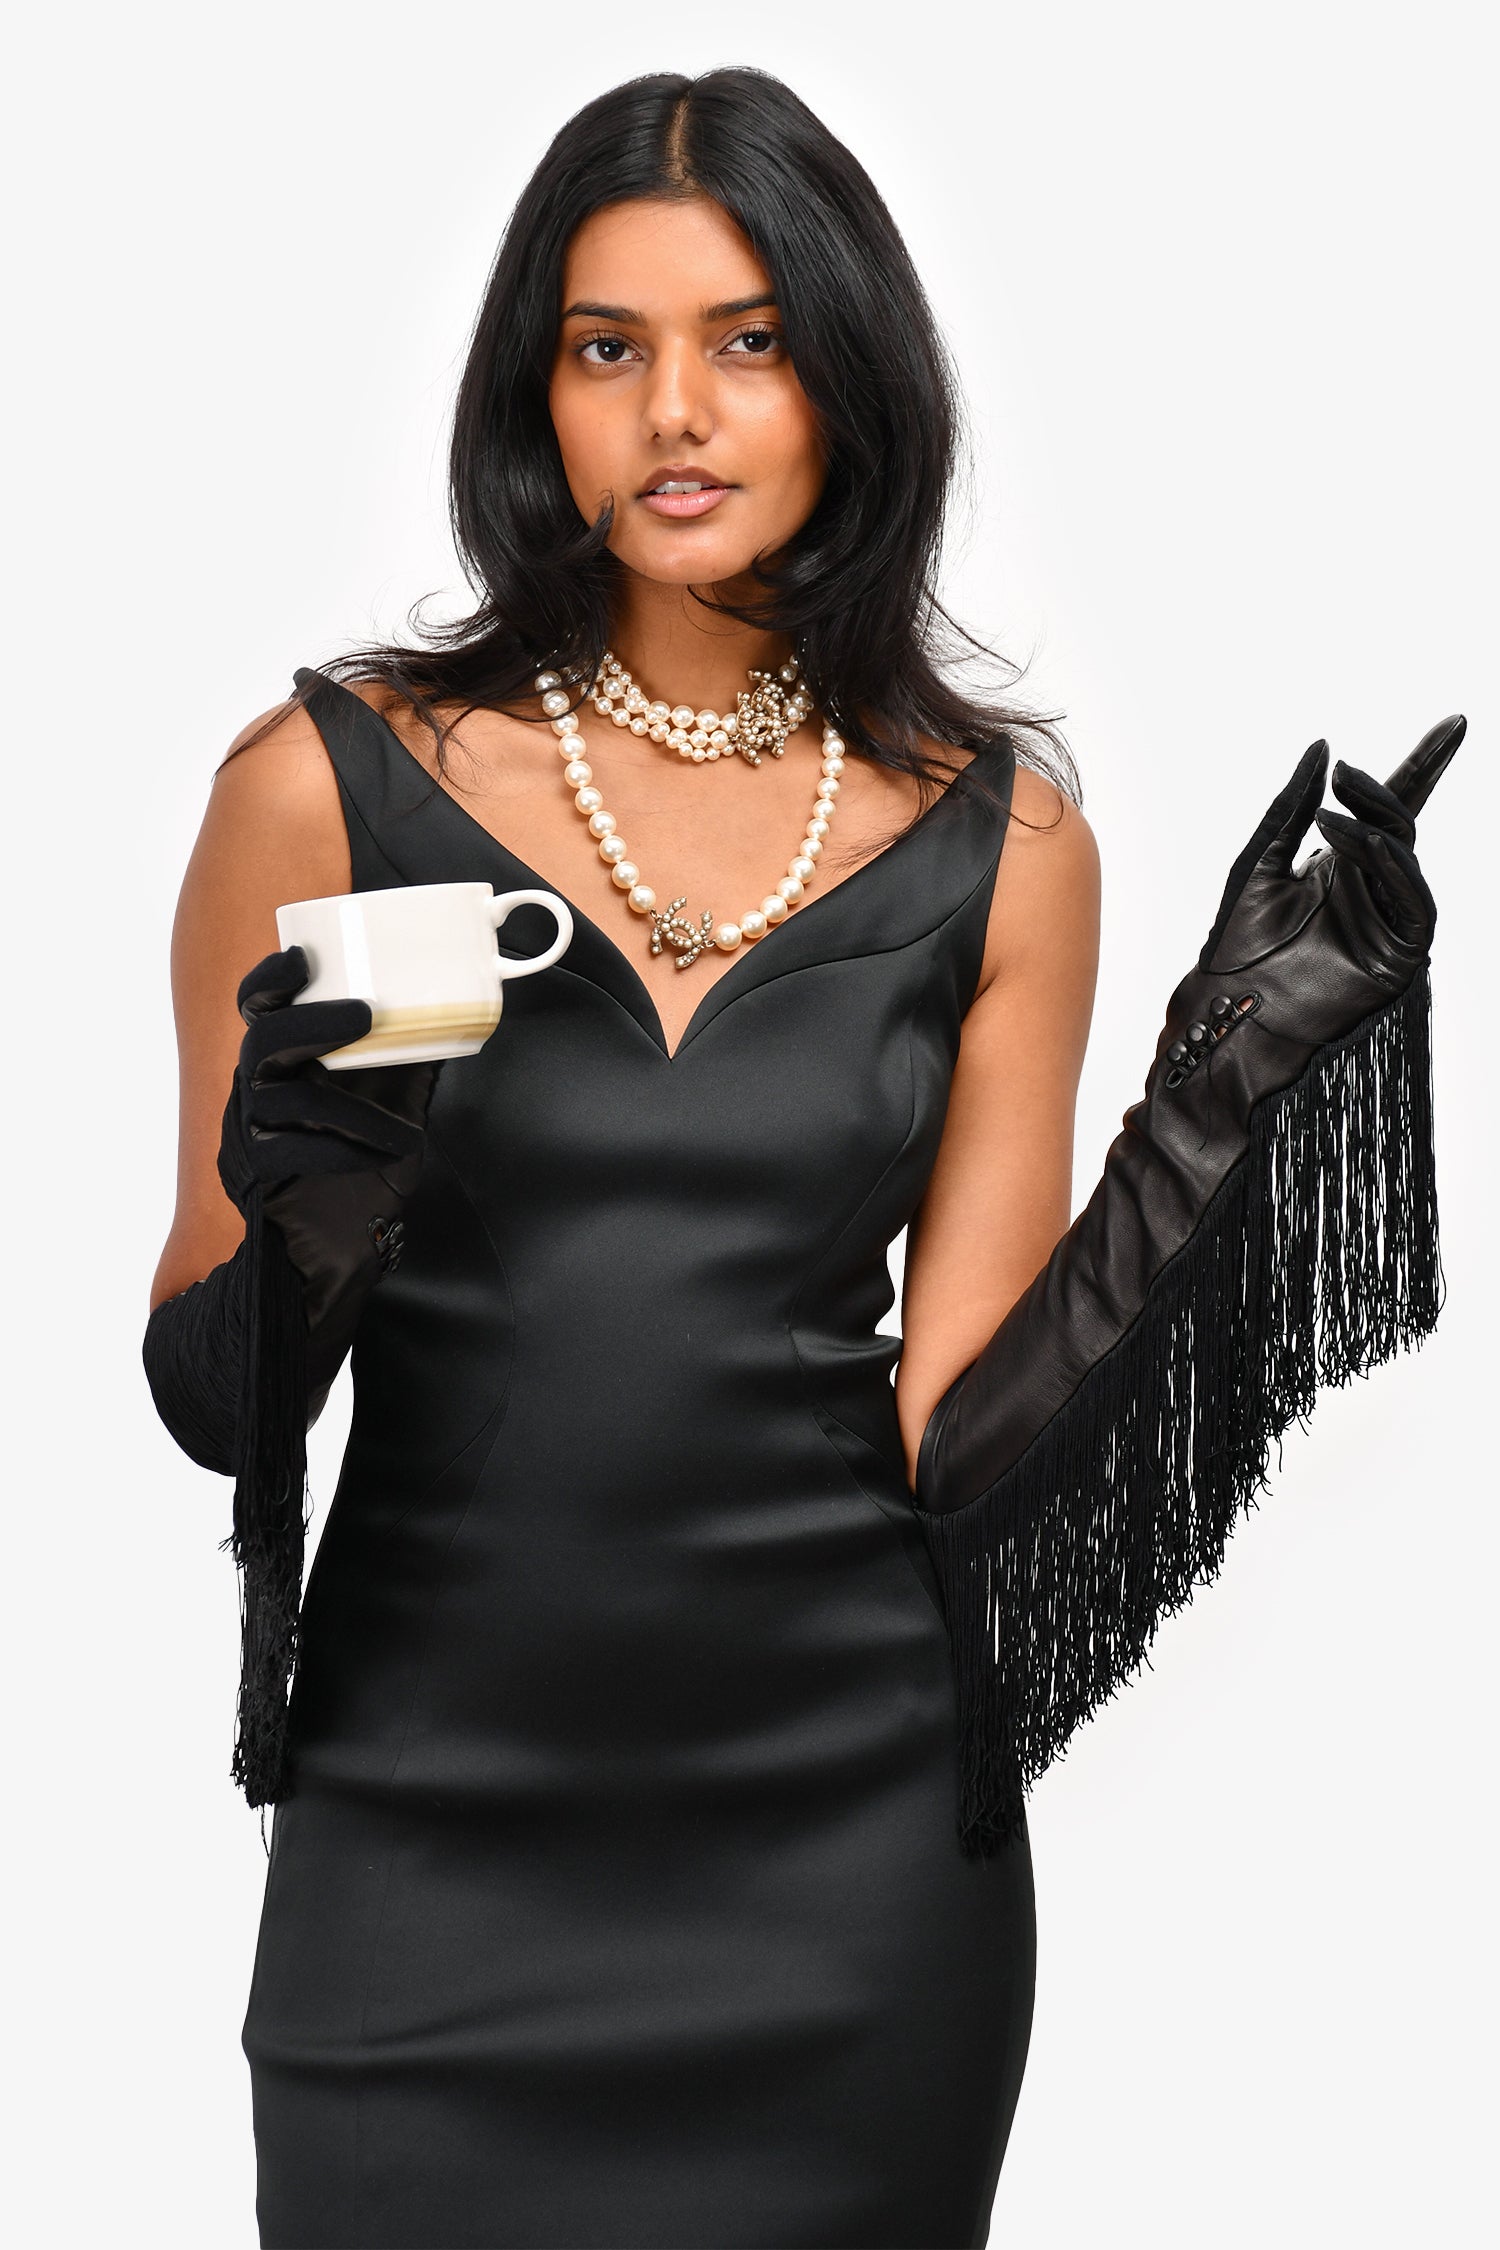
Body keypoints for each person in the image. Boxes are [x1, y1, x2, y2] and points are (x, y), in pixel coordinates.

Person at [141, 66, 1459, 2250]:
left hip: (846, 1886)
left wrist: (1235, 1083)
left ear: (848, 380)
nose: (676, 410)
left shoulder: (999, 840)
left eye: (747, 341)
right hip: (422, 1857)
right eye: (609, 346)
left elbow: (971, 1436)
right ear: (536, 393)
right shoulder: (332, 787)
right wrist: (313, 1198)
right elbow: (217, 1404)